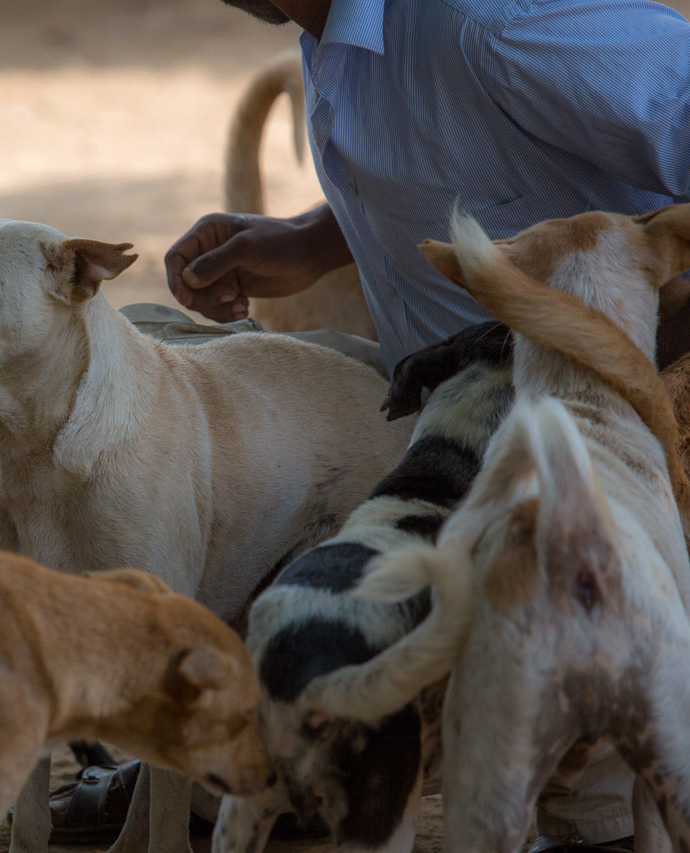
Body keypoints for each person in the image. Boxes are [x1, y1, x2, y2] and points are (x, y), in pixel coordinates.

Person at [165, 1, 690, 849]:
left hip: (604, 455)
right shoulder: (334, 32)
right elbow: (467, 173)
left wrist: (637, 362)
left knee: (600, 801)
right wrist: (312, 239)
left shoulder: (491, 20)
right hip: (463, 427)